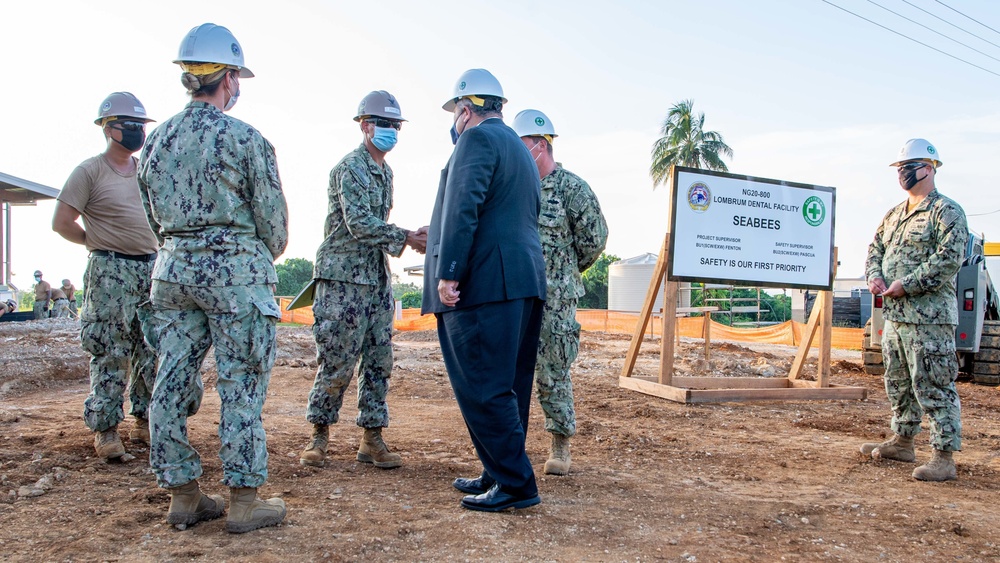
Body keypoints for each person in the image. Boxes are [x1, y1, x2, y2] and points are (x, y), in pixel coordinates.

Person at [137, 23, 289, 533]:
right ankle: (245, 502)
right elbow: (275, 227)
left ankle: (183, 495)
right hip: (236, 276)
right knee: (241, 386)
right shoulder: (246, 138)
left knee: (170, 380)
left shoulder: (155, 141)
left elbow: (154, 220)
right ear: (227, 78)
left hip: (174, 272)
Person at [422, 69, 547, 512]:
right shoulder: (517, 145)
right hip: (524, 279)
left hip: (485, 283)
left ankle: (515, 483)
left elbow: (464, 206)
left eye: (456, 113)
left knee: (483, 385)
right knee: (509, 385)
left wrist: (449, 271)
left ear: (464, 109)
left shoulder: (475, 140)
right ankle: (498, 470)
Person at [300, 91, 426, 470]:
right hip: (342, 280)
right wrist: (406, 237)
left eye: (395, 125)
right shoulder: (350, 168)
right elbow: (358, 224)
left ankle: (372, 439)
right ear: (364, 125)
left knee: (378, 360)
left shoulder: (385, 172)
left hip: (374, 280)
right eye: (383, 124)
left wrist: (408, 238)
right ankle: (319, 436)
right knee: (337, 362)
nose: (389, 131)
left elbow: (376, 229)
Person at [53, 92, 159, 460]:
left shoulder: (147, 170)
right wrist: (97, 242)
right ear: (107, 128)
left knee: (152, 349)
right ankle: (107, 429)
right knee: (110, 349)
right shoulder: (90, 171)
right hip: (109, 270)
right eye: (128, 126)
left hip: (152, 268)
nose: (135, 132)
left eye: (140, 126)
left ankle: (146, 422)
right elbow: (62, 222)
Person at [861, 138, 967, 482]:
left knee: (933, 383)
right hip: (895, 317)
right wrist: (875, 277)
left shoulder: (946, 211)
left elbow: (949, 259)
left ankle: (944, 456)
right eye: (899, 169)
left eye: (908, 167)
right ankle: (903, 441)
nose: (902, 174)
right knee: (899, 382)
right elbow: (875, 248)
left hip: (929, 319)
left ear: (928, 168)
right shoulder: (894, 215)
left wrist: (908, 284)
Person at [512, 109, 608, 476]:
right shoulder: (515, 189)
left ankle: (560, 444)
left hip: (555, 298)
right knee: (512, 374)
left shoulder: (572, 188)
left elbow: (594, 240)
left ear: (540, 145)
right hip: (517, 295)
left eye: (522, 146)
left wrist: (564, 271)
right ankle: (510, 446)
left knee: (553, 371)